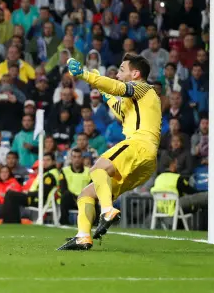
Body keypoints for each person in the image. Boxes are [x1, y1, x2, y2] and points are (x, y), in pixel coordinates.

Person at [58, 54, 161, 250]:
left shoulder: (143, 87)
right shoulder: (135, 100)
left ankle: (107, 210)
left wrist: (85, 75)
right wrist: (101, 89)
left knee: (98, 168)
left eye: (122, 70)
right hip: (146, 162)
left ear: (136, 73)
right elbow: (117, 106)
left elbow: (117, 88)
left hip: (139, 145)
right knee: (86, 194)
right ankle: (83, 236)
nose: (117, 74)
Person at [59, 148, 91, 225]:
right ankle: (64, 222)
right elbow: (63, 189)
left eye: (79, 157)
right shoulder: (64, 171)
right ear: (71, 158)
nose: (77, 159)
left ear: (82, 159)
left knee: (93, 198)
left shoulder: (89, 171)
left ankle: (96, 223)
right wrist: (75, 199)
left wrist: (81, 198)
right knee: (65, 196)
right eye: (74, 157)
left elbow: (91, 188)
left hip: (85, 199)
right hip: (70, 199)